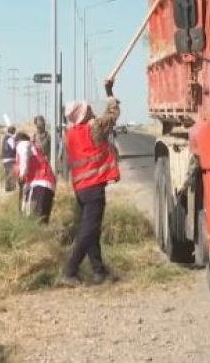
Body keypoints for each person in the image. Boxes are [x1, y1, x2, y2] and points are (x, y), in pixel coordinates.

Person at [60, 80, 121, 287]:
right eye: (88, 109)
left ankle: (99, 271)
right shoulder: (93, 129)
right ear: (84, 115)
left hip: (81, 188)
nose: (91, 110)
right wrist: (109, 92)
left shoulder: (71, 134)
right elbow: (112, 115)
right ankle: (70, 270)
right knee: (88, 231)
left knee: (92, 229)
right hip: (94, 187)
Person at [15, 132, 57, 223]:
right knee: (42, 222)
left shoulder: (22, 144)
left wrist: (22, 174)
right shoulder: (35, 149)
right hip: (49, 185)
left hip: (38, 184)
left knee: (32, 219)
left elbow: (24, 157)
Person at [1, 126, 17, 192]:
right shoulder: (10, 138)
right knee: (12, 174)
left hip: (5, 158)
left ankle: (7, 188)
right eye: (14, 131)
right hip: (10, 158)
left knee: (7, 174)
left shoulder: (5, 138)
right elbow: (13, 147)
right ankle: (12, 188)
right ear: (13, 131)